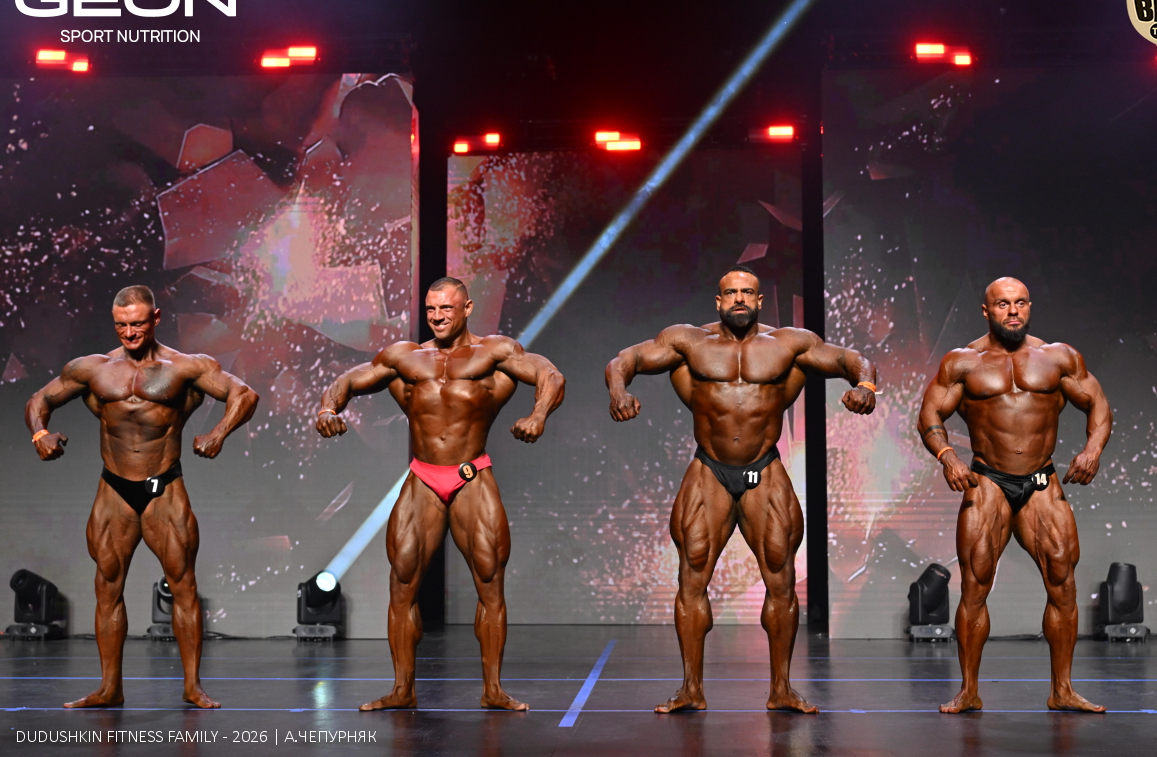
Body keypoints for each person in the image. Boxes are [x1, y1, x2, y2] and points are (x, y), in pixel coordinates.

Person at [605, 265, 877, 713]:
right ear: (718, 300)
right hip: (709, 469)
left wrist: (865, 384)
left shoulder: (789, 344)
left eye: (747, 292)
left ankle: (782, 689)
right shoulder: (687, 341)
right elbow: (624, 361)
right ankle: (691, 689)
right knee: (692, 574)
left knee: (781, 577)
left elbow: (852, 360)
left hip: (762, 469)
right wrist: (619, 392)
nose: (738, 299)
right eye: (730, 293)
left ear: (759, 300)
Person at [316, 277, 564, 711]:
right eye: (431, 309)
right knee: (402, 583)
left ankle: (493, 690)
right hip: (423, 478)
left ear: (467, 308)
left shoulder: (495, 352)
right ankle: (402, 689)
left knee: (489, 582)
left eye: (446, 308)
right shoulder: (405, 357)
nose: (437, 316)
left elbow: (550, 375)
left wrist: (538, 415)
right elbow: (350, 380)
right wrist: (327, 408)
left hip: (472, 475)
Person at [26, 285, 259, 709]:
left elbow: (244, 394)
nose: (129, 333)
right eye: (121, 325)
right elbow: (39, 399)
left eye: (137, 324)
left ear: (155, 318)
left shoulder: (185, 367)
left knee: (183, 585)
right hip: (114, 488)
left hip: (162, 487)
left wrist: (218, 433)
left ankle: (192, 687)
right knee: (107, 586)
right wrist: (40, 433)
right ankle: (109, 688)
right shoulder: (92, 368)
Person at [917, 277, 1110, 714]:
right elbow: (929, 414)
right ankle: (969, 691)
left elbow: (1098, 404)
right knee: (974, 586)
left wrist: (1092, 451)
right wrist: (947, 456)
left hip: (1042, 483)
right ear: (987, 311)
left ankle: (1062, 690)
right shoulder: (963, 362)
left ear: (1029, 306)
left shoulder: (1058, 357)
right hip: (988, 481)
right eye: (1003, 304)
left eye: (1020, 302)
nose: (1013, 311)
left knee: (1063, 583)